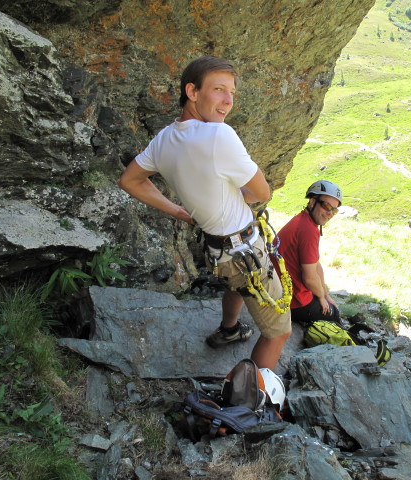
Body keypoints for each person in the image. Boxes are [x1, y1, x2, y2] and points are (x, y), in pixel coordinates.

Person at [118, 56, 291, 370]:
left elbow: (130, 180)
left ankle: (229, 329)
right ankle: (250, 403)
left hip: (217, 249)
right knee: (279, 332)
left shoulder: (164, 139)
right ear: (192, 92)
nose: (228, 101)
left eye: (232, 93)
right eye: (219, 90)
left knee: (236, 284)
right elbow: (261, 193)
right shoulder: (218, 136)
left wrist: (179, 212)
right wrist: (239, 195)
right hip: (242, 250)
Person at [275, 180, 342, 327]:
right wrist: (321, 297)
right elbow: (310, 279)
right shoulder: (308, 230)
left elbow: (316, 265)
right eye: (327, 206)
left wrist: (325, 294)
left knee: (328, 305)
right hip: (292, 301)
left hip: (282, 292)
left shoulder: (304, 221)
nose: (330, 213)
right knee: (334, 314)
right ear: (312, 202)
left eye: (334, 210)